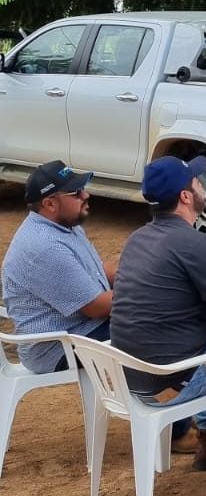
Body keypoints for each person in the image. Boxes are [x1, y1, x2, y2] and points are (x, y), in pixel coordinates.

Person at [109, 155, 206, 484]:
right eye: (196, 182)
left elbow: (177, 304)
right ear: (185, 196)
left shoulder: (138, 239)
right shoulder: (196, 245)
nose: (201, 186)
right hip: (172, 374)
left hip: (134, 373)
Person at [1, 160, 114, 373]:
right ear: (50, 204)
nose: (86, 195)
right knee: (159, 326)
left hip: (80, 329)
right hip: (57, 348)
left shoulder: (64, 226)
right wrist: (145, 292)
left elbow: (97, 270)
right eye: (76, 193)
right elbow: (96, 308)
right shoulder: (45, 247)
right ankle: (166, 391)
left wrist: (138, 276)